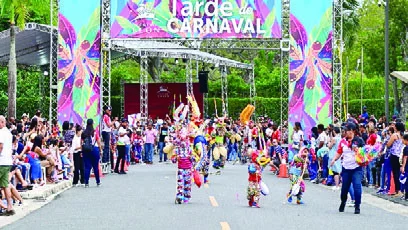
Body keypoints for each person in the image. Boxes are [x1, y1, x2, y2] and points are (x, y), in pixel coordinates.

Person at [330, 122, 364, 214]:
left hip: (356, 168)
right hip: (346, 168)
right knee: (344, 188)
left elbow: (365, 153)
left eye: (347, 130)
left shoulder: (359, 140)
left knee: (357, 186)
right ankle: (343, 202)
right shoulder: (342, 141)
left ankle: (357, 206)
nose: (345, 132)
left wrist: (358, 151)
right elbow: (339, 152)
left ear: (352, 131)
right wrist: (334, 159)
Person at [0, 115, 15, 216]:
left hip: (1, 161)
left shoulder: (1, 132)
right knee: (5, 185)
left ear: (2, 122)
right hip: (7, 161)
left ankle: (4, 206)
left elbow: (0, 146)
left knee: (5, 185)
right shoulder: (9, 133)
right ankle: (10, 206)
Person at [81, 119, 102, 187]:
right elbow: (98, 142)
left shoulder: (84, 132)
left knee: (87, 167)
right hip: (94, 149)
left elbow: (81, 143)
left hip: (86, 150)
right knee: (95, 167)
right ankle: (98, 181)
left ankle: (86, 182)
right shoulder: (95, 132)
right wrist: (100, 150)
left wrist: (82, 151)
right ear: (92, 124)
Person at [386, 122, 404, 197]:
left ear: (396, 128)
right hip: (401, 155)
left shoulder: (395, 135)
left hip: (394, 155)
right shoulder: (404, 135)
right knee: (400, 172)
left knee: (395, 172)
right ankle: (401, 189)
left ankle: (398, 190)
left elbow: (388, 144)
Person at [401, 134, 408, 201]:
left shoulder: (406, 148)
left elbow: (405, 157)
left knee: (406, 181)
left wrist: (403, 166)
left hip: (407, 166)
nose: (402, 140)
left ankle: (406, 196)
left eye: (403, 139)